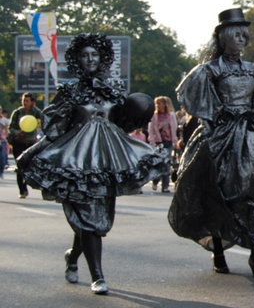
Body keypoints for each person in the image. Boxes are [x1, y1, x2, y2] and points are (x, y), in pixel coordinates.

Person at [17, 33, 168, 294]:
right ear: (77, 59)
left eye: (94, 55)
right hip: (76, 161)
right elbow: (56, 130)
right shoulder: (69, 91)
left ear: (102, 59)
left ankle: (73, 257)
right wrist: (32, 152)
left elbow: (123, 123)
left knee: (96, 219)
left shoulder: (112, 91)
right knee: (88, 217)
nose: (90, 59)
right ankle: (97, 275)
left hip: (108, 160)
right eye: (85, 55)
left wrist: (141, 110)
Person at [168, 8, 254, 276]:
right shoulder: (208, 71)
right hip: (219, 134)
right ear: (223, 39)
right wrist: (217, 117)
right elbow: (194, 99)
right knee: (215, 193)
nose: (242, 39)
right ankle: (218, 251)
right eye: (236, 35)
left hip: (251, 135)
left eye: (244, 35)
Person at [8, 93, 43, 198]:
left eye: (27, 101)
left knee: (28, 167)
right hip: (18, 142)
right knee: (19, 166)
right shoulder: (17, 113)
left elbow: (44, 117)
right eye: (24, 100)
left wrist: (35, 108)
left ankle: (27, 183)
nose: (25, 103)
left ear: (31, 102)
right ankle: (22, 190)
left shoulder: (35, 112)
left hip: (30, 143)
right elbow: (11, 127)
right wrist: (16, 132)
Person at [148, 96, 178, 193]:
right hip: (158, 142)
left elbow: (174, 129)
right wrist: (152, 142)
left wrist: (175, 142)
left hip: (168, 142)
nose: (157, 105)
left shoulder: (171, 116)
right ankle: (155, 180)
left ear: (165, 104)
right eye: (156, 103)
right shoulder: (154, 116)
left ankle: (165, 185)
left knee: (167, 163)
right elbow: (151, 130)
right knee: (158, 162)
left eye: (159, 103)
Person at [0, 108, 9, 177]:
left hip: (2, 141)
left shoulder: (4, 120)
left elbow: (7, 132)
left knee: (2, 157)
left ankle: (1, 172)